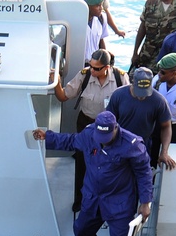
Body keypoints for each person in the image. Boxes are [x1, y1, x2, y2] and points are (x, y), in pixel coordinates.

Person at [32, 113, 153, 236]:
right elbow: (71, 141)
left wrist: (145, 202)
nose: (102, 140)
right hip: (92, 196)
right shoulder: (89, 134)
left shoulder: (132, 144)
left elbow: (144, 173)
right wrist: (48, 136)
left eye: (106, 137)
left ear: (116, 128)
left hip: (119, 201)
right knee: (80, 228)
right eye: (100, 136)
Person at [54, 50, 129, 212]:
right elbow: (63, 96)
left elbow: (127, 103)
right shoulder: (84, 75)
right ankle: (79, 200)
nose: (92, 70)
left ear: (107, 67)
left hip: (111, 129)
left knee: (110, 165)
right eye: (90, 66)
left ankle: (105, 203)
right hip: (86, 124)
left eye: (96, 68)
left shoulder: (120, 78)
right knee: (82, 162)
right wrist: (56, 82)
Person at [107, 68, 174, 169]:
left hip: (143, 147)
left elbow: (166, 126)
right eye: (139, 92)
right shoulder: (118, 95)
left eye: (145, 92)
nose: (141, 97)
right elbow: (109, 122)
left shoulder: (159, 101)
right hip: (119, 144)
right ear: (133, 82)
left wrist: (164, 152)